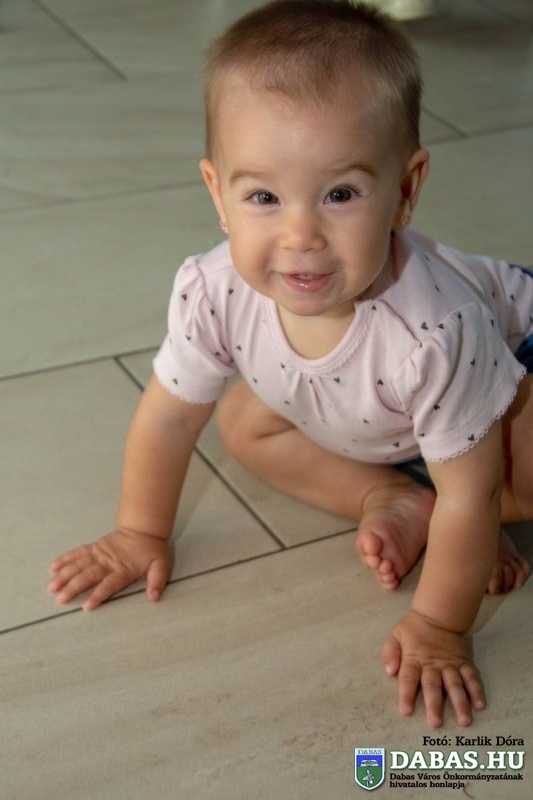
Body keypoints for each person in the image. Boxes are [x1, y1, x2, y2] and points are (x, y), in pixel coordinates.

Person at [48, 0, 532, 729]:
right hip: (384, 415)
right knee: (242, 424)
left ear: (404, 190)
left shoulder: (436, 329)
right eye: (264, 197)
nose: (300, 235)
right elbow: (169, 418)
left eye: (340, 194)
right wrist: (138, 533)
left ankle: (453, 511)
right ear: (218, 194)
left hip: (511, 362)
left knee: (501, 473)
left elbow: (472, 491)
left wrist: (438, 624)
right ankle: (390, 495)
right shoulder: (212, 288)